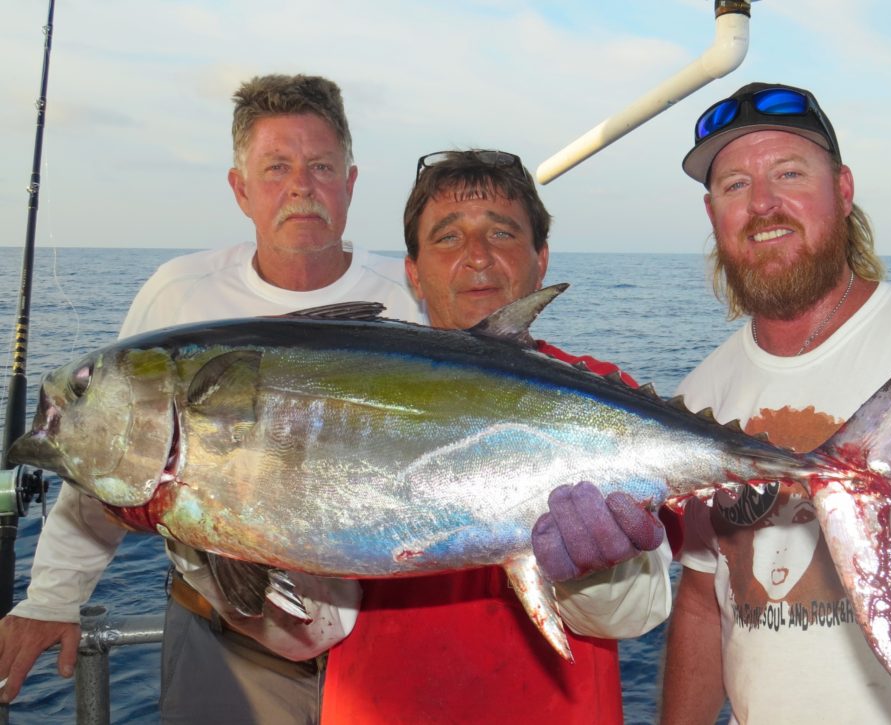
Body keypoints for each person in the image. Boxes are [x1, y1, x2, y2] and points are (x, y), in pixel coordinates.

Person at [0, 74, 425, 724]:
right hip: (229, 650)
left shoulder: (411, 296)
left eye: (320, 166)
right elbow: (110, 459)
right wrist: (52, 599)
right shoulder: (180, 295)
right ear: (241, 188)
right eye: (276, 167)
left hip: (392, 650)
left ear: (351, 181)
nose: (300, 186)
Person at [659, 82, 891, 723]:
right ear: (713, 215)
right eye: (735, 185)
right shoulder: (697, 397)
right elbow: (700, 603)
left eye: (789, 173)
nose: (764, 203)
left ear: (844, 190)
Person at [319, 149, 675, 724]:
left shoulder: (609, 402)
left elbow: (642, 611)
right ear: (413, 272)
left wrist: (597, 567)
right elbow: (314, 624)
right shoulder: (341, 395)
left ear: (541, 259)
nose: (477, 257)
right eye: (447, 238)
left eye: (502, 233)